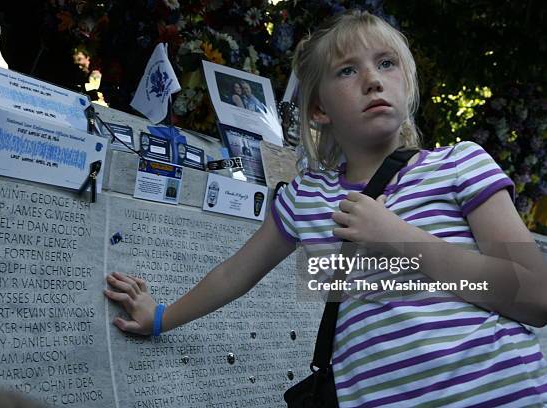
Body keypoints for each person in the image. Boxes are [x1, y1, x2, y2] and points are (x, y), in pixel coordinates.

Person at [105, 10, 547, 406]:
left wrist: (398, 238)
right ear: (318, 108)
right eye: (347, 70)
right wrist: (160, 317)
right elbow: (233, 274)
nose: (373, 79)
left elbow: (535, 297)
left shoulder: (460, 164)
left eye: (386, 63)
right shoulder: (306, 197)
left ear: (405, 82)